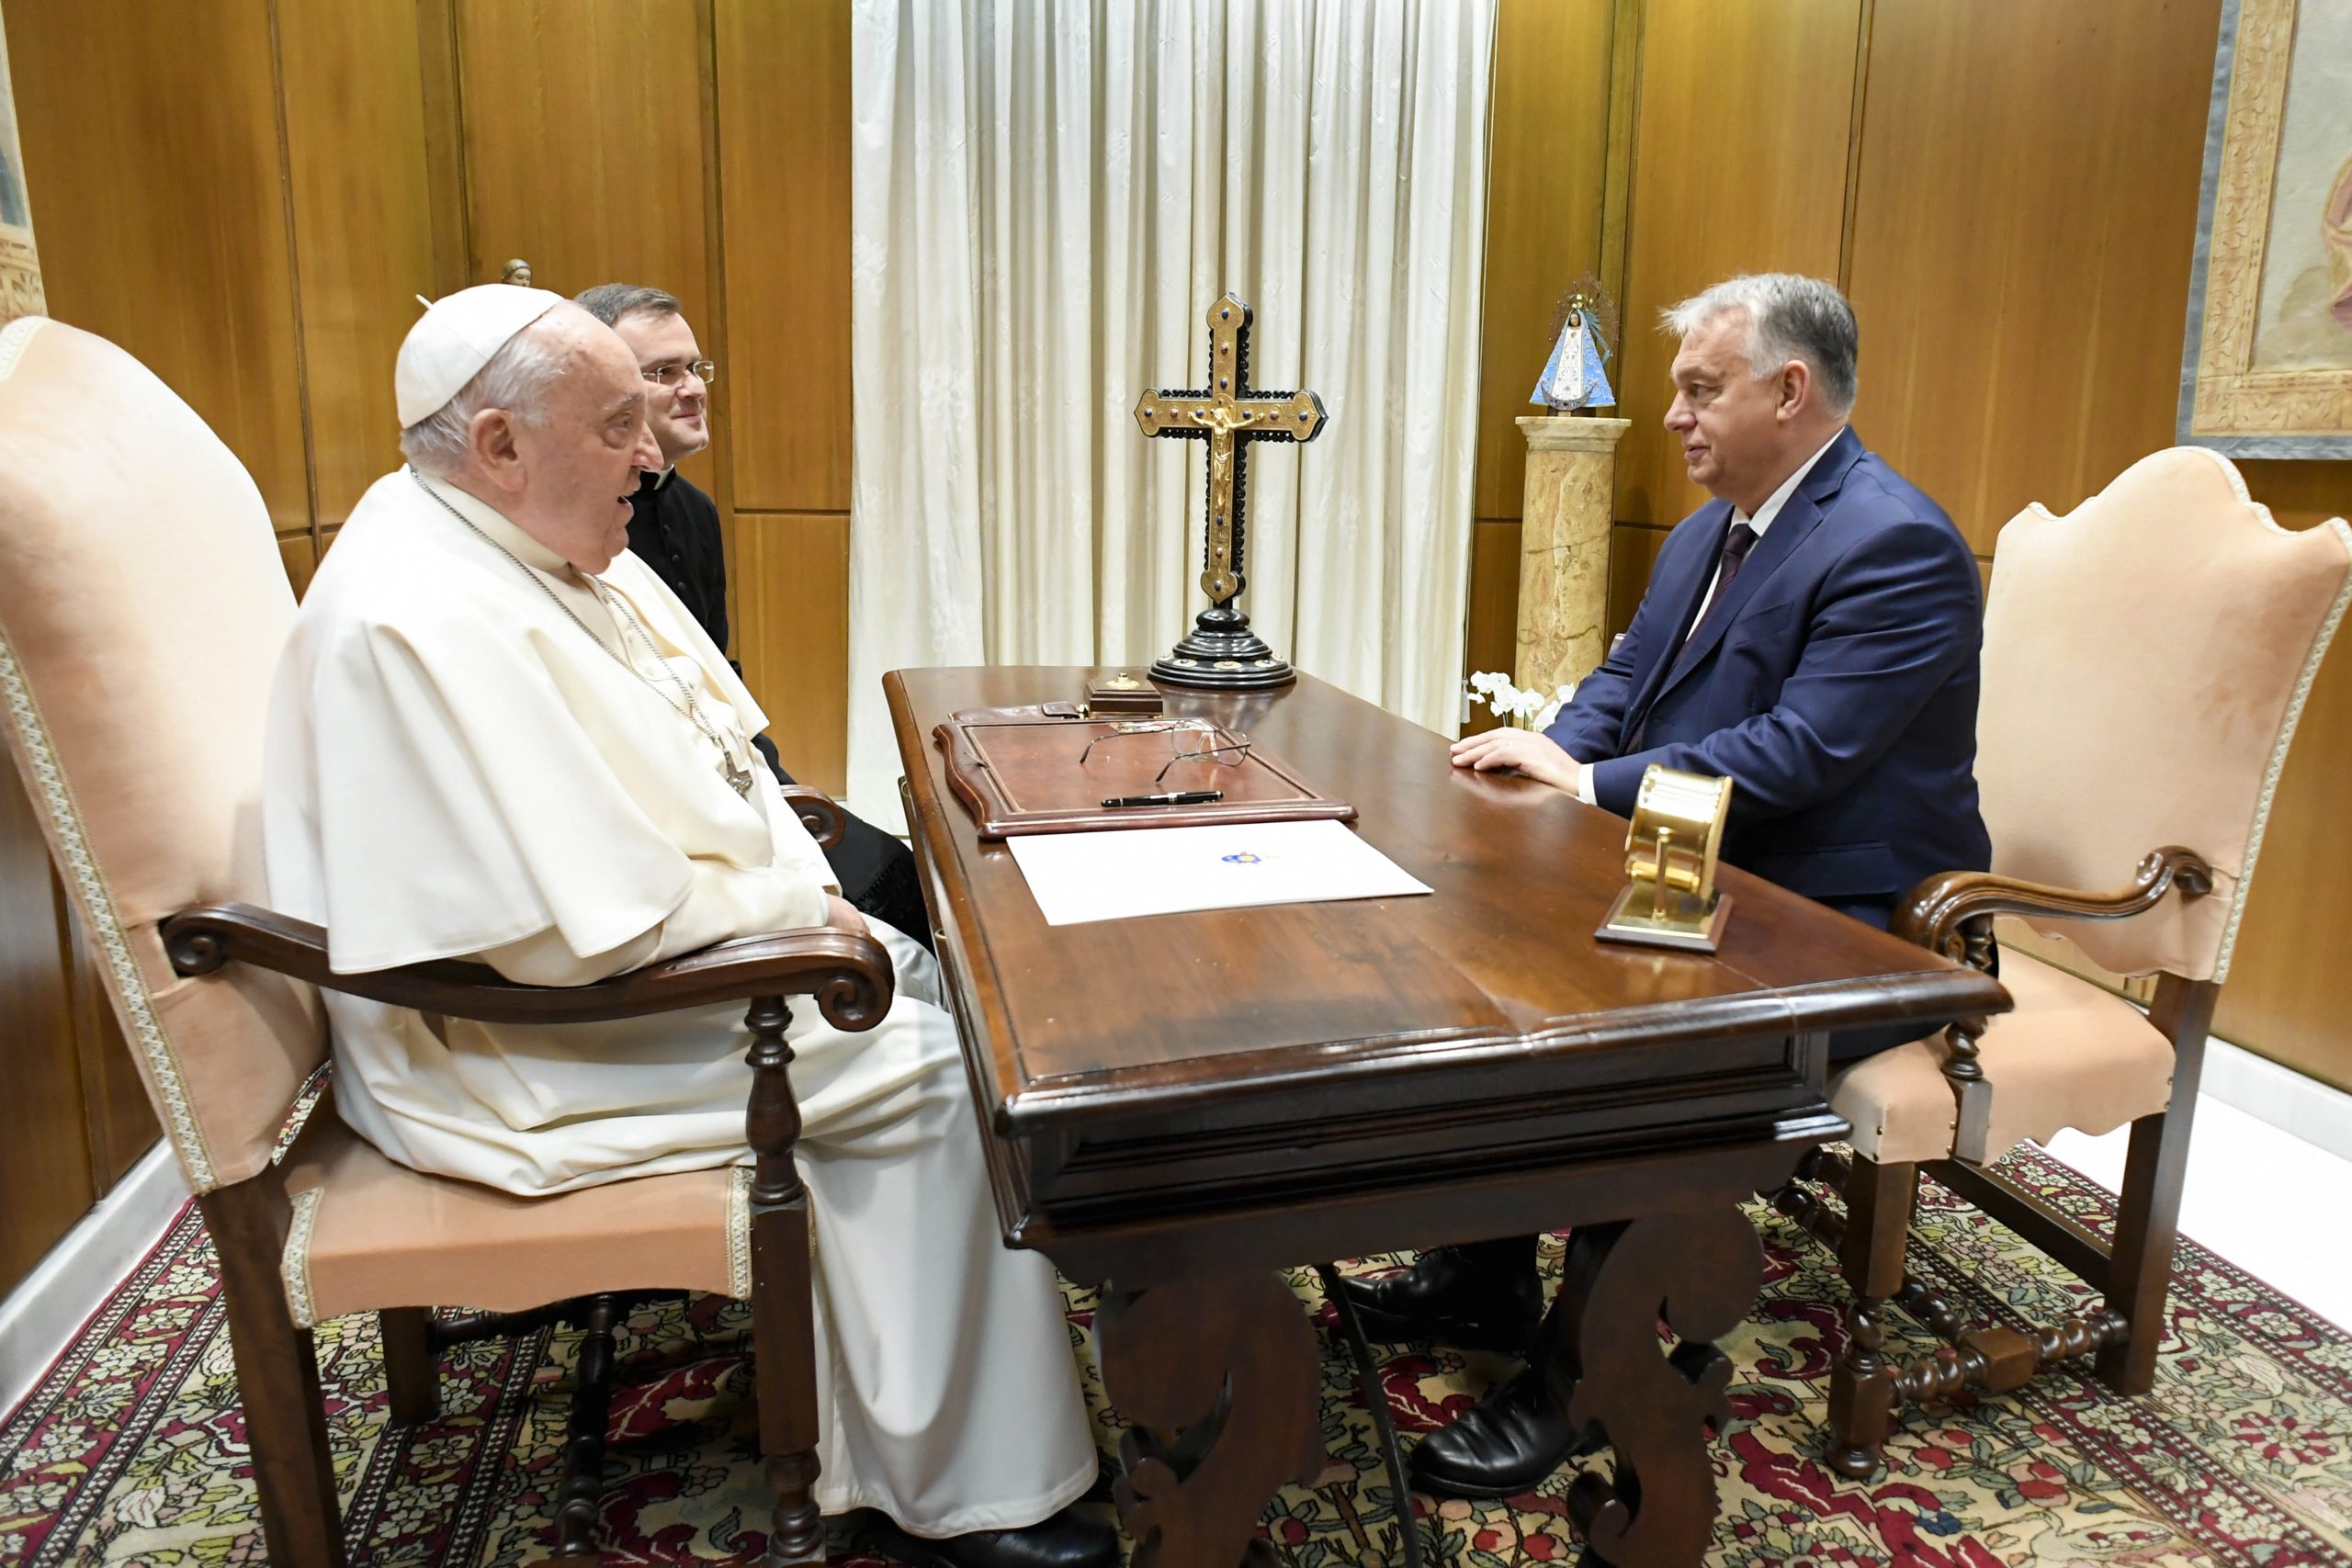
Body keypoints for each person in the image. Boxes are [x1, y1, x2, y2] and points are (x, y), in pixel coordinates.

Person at [262, 285, 1111, 1568]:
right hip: (505, 1052)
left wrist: (797, 882)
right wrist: (797, 912)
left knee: (939, 985)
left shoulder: (515, 540)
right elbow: (560, 933)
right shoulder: (415, 614)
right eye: (617, 425)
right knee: (941, 1068)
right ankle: (974, 1490)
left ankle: (898, 1381)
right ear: (498, 444)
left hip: (623, 971)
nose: (652, 455)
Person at [1342, 273, 1992, 1499]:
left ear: (1791, 390)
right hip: (1705, 866)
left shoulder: (1893, 542)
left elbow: (1801, 754)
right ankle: (1482, 1272)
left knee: (1631, 1047)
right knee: (1490, 964)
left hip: (1851, 917)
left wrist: (1584, 784)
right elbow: (1625, 678)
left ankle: (1583, 1369)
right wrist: (1538, 766)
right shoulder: (1707, 530)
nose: (1677, 415)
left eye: (1702, 388)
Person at [573, 280, 932, 951]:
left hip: (745, 782)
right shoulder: (582, 531)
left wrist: (777, 787)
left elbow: (718, 686)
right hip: (684, 825)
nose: (693, 388)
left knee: (917, 881)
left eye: (695, 368)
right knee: (900, 904)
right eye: (663, 373)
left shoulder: (696, 512)